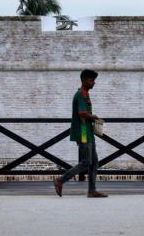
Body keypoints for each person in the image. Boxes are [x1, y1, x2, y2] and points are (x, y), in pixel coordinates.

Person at [53, 69, 108, 198]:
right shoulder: (81, 95)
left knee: (94, 162)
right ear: (83, 80)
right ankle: (60, 180)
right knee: (86, 162)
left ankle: (92, 190)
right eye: (91, 80)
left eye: (94, 80)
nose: (94, 83)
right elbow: (82, 113)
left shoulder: (85, 94)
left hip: (87, 132)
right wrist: (93, 116)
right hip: (83, 132)